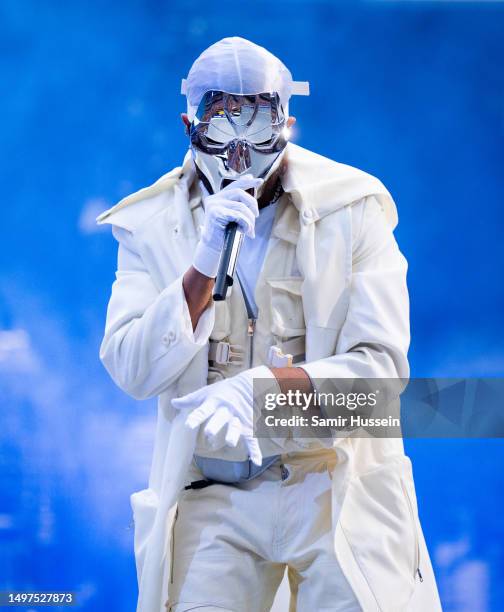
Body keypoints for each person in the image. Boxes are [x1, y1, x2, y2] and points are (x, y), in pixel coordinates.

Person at [97, 37, 441, 612]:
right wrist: (200, 270)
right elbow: (132, 371)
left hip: (334, 482)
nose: (238, 154)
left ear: (287, 123)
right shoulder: (149, 225)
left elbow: (381, 385)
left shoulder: (352, 210)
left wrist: (266, 394)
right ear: (190, 123)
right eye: (220, 124)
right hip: (215, 491)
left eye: (257, 125)